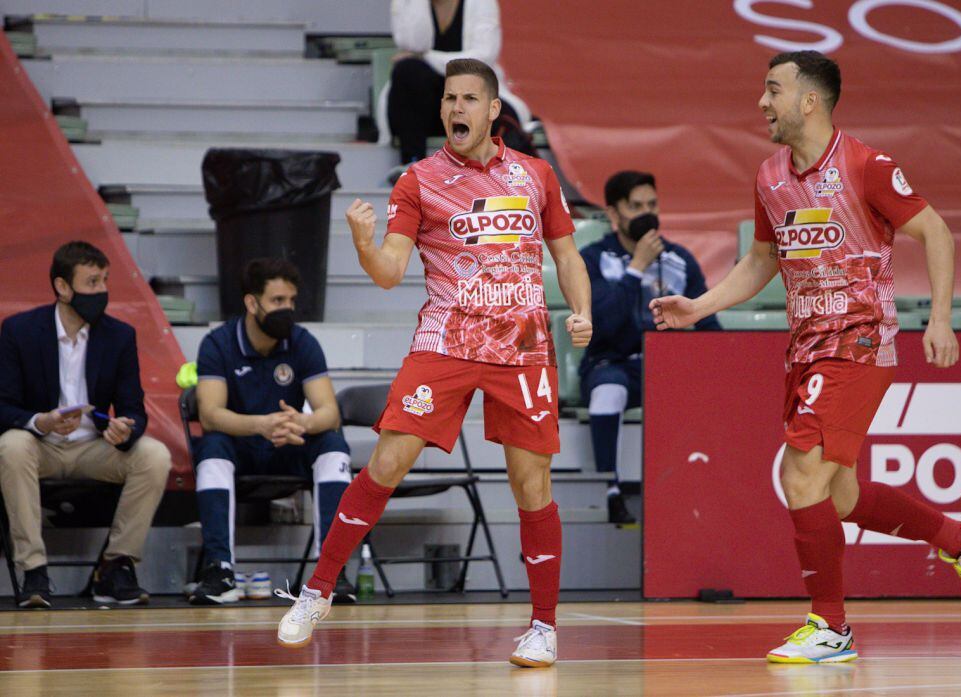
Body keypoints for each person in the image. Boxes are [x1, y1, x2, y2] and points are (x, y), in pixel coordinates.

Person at [650, 51, 961, 664]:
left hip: (860, 341)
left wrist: (940, 319)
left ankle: (830, 627)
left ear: (808, 101)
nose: (762, 102)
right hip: (806, 347)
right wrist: (700, 306)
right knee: (835, 496)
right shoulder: (769, 176)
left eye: (772, 90)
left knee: (798, 473)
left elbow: (936, 233)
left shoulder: (865, 165)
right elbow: (762, 261)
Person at [276, 58, 591, 669]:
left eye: (470, 99)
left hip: (522, 347)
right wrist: (365, 244)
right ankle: (317, 592)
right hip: (445, 344)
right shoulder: (418, 180)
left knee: (533, 485)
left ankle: (544, 628)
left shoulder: (535, 175)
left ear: (494, 110)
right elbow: (391, 273)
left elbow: (567, 254)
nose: (456, 110)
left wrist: (580, 310)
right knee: (388, 460)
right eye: (450, 99)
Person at [0, 241, 172, 608]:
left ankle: (115, 566)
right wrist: (39, 421)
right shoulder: (19, 331)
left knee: (154, 456)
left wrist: (126, 428)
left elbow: (134, 408)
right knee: (12, 446)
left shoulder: (119, 335)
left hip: (94, 447)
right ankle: (33, 570)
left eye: (105, 281)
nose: (102, 291)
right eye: (92, 282)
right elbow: (3, 405)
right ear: (63, 287)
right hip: (40, 445)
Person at [189, 258, 354, 605]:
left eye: (291, 301)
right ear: (252, 303)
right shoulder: (218, 344)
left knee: (333, 445)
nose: (288, 309)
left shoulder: (302, 341)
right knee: (211, 446)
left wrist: (302, 423)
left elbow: (329, 411)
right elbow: (210, 414)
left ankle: (330, 574)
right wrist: (260, 425)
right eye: (278, 301)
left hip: (290, 444)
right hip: (242, 448)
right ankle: (219, 570)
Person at [580, 170, 719, 524]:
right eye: (635, 206)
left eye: (652, 204)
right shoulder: (593, 259)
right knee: (608, 391)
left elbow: (706, 322)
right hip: (610, 363)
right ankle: (611, 492)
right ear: (613, 214)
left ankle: (698, 495)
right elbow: (602, 326)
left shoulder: (679, 259)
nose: (647, 214)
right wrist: (636, 268)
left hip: (666, 367)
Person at [381, 0, 532, 180]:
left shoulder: (481, 3)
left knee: (493, 108)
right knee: (409, 70)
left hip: (470, 101)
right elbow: (414, 45)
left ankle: (507, 175)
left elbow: (482, 59)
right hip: (426, 111)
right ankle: (413, 165)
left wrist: (427, 58)